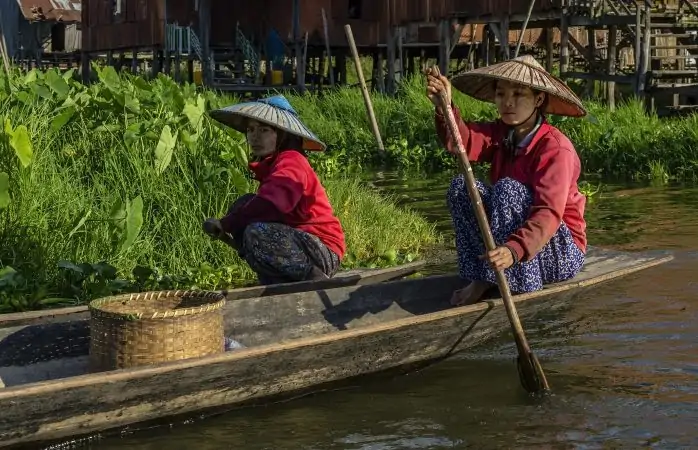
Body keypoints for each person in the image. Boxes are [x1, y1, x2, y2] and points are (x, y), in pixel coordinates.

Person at [426, 55, 588, 306]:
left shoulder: (555, 149)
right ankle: (480, 277)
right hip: (513, 249)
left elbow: (549, 213)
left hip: (559, 251)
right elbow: (463, 142)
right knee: (462, 187)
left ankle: (519, 284)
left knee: (509, 189)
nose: (508, 102)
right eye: (501, 94)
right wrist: (444, 106)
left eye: (519, 94)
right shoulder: (502, 134)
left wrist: (514, 249)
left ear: (539, 99)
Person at [204, 95, 346, 285]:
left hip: (322, 251)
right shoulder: (273, 165)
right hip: (299, 244)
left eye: (264, 130)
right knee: (244, 204)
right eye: (251, 130)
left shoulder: (292, 161)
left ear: (282, 135)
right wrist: (233, 223)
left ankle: (316, 280)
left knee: (256, 231)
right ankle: (275, 280)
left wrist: (227, 223)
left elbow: (270, 206)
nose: (254, 137)